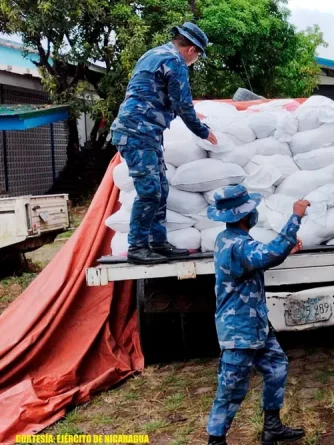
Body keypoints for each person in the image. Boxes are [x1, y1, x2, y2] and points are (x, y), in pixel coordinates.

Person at [205, 185, 308, 445]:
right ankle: (215, 440)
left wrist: (285, 250)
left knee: (276, 366)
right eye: (252, 211)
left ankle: (272, 426)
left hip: (255, 324)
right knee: (231, 387)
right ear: (243, 217)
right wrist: (295, 217)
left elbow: (262, 257)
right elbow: (266, 255)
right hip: (239, 329)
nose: (255, 214)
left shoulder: (230, 239)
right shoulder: (236, 246)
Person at [110, 22, 218, 265]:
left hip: (143, 132)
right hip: (138, 133)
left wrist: (187, 116)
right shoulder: (175, 62)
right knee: (149, 192)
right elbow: (182, 103)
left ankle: (158, 243)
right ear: (191, 49)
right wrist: (202, 131)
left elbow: (155, 94)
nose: (196, 60)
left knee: (160, 190)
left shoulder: (154, 54)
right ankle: (137, 247)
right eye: (198, 55)